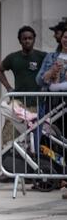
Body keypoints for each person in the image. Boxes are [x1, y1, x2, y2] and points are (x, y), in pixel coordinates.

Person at [36, 28, 67, 201]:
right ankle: (57, 176)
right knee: (53, 140)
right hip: (53, 103)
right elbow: (40, 80)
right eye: (64, 37)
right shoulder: (51, 57)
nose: (66, 40)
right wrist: (51, 72)